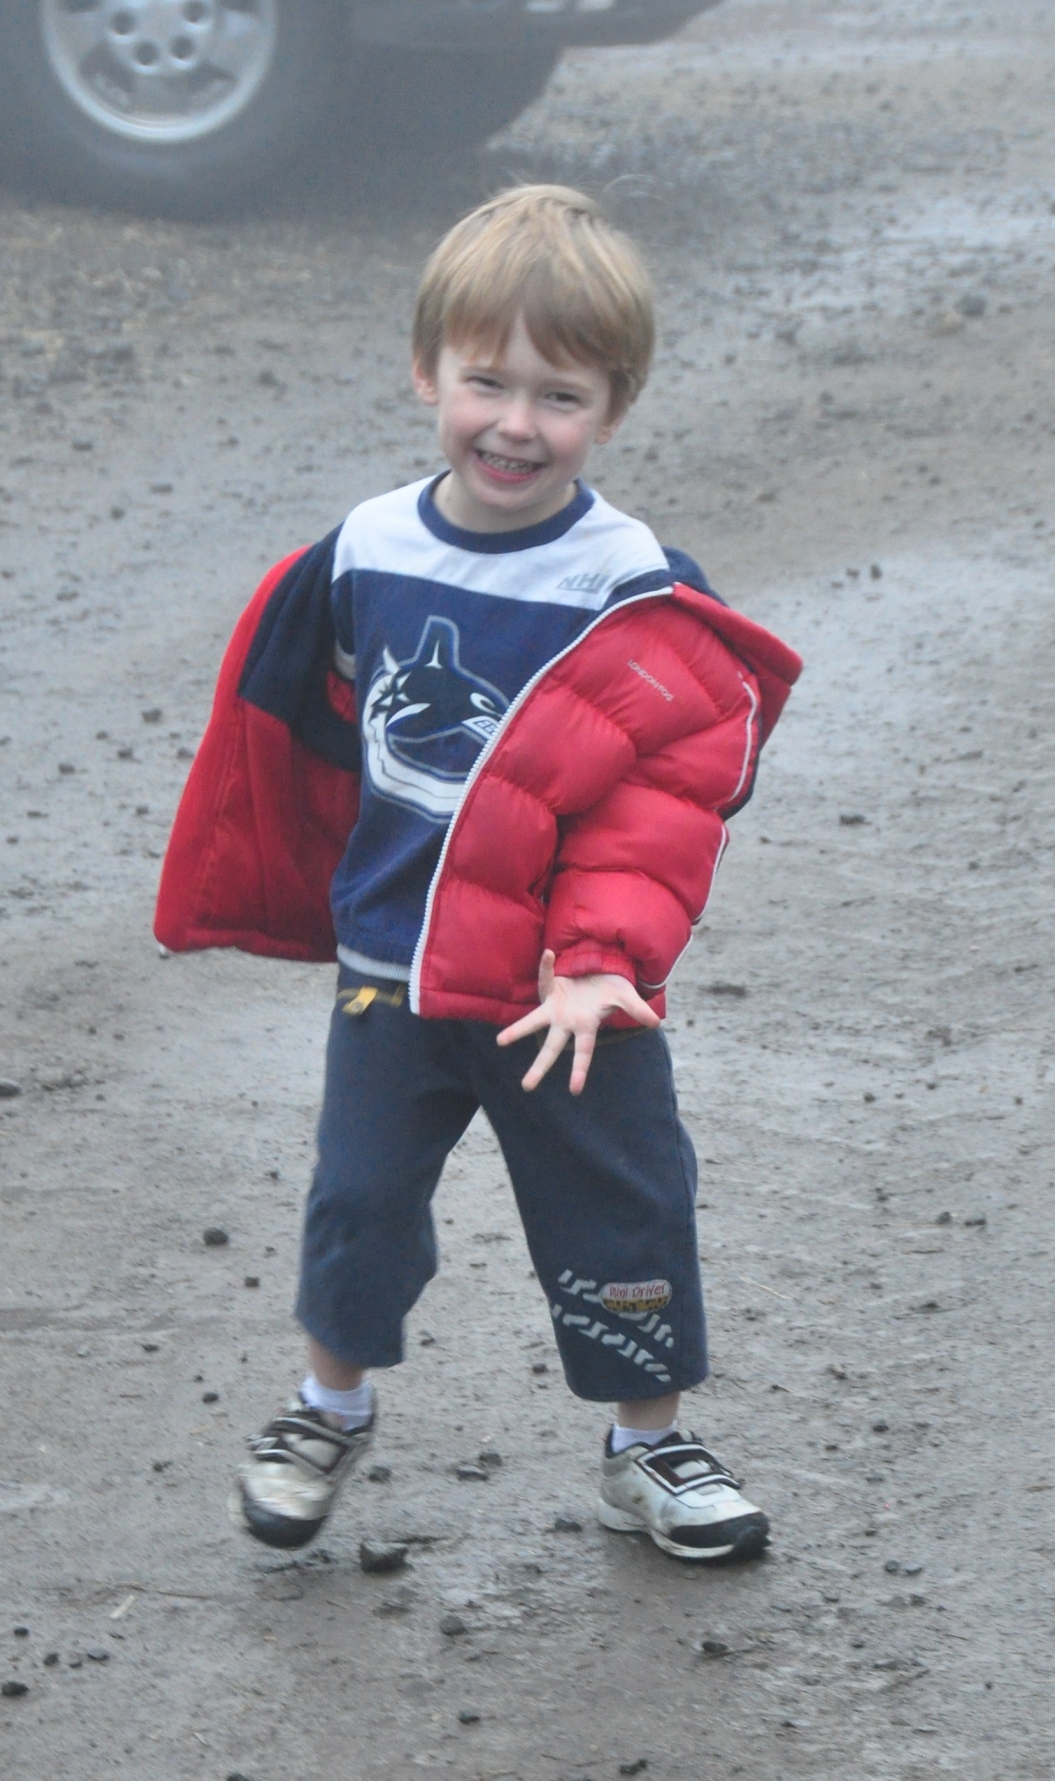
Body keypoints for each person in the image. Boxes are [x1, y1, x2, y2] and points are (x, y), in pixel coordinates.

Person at [155, 185, 802, 1564]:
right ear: (426, 372)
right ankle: (329, 1405)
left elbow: (658, 802)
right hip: (391, 977)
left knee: (624, 1209)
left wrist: (608, 961)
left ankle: (650, 1441)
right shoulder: (368, 551)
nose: (516, 423)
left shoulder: (627, 583)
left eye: (559, 395)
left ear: (613, 410)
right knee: (357, 1202)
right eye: (485, 381)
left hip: (565, 993)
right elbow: (315, 731)